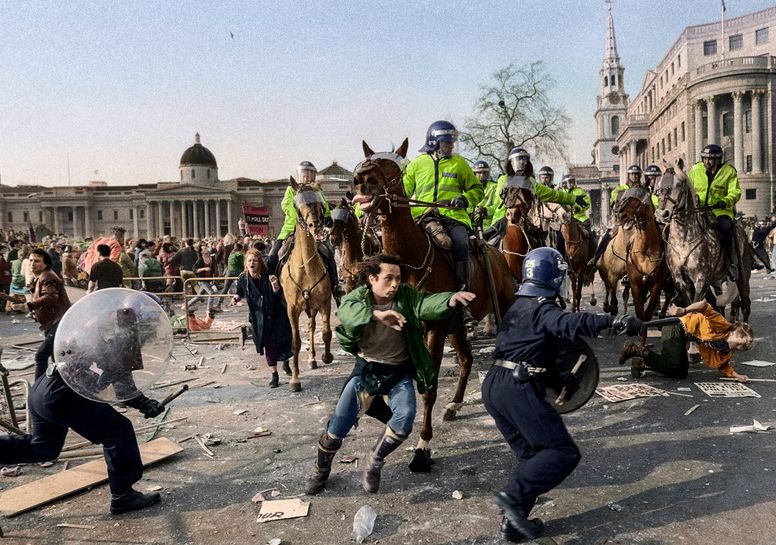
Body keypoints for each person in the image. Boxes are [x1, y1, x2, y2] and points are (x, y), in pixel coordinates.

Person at [482, 247, 642, 541]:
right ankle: (511, 496)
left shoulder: (518, 306)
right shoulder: (543, 307)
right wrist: (614, 322)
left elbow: (543, 347)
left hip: (495, 386)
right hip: (517, 387)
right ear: (555, 276)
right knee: (562, 452)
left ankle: (512, 524)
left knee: (532, 456)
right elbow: (568, 324)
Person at [306, 253, 476, 495]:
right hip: (367, 372)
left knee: (405, 420)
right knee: (336, 430)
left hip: (398, 373)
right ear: (372, 279)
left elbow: (425, 303)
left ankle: (374, 462)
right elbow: (347, 312)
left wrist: (449, 300)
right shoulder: (358, 298)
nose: (395, 283)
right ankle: (320, 471)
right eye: (389, 278)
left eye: (398, 278)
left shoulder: (406, 297)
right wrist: (377, 314)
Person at [0, 300, 166, 515]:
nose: (151, 335)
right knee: (119, 431)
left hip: (43, 391)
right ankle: (123, 495)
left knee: (44, 448)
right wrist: (143, 403)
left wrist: (144, 403)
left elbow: (122, 384)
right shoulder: (123, 345)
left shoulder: (107, 340)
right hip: (65, 397)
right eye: (149, 329)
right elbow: (124, 387)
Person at [403, 121, 482, 332]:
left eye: (452, 141)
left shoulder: (460, 164)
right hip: (423, 217)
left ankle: (463, 303)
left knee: (461, 244)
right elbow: (404, 192)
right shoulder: (416, 165)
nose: (451, 145)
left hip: (453, 218)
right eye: (447, 142)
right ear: (434, 142)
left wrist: (465, 199)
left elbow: (477, 190)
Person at [266, 162, 344, 303]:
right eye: (304, 174)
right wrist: (300, 216)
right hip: (291, 230)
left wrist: (326, 217)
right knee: (272, 257)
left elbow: (324, 207)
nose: (307, 177)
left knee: (329, 254)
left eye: (310, 174)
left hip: (315, 230)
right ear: (300, 175)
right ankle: (270, 290)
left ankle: (335, 287)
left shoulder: (317, 190)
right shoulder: (292, 189)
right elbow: (286, 204)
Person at [619, 301, 752, 382]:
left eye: (742, 347)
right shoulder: (721, 324)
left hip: (684, 337)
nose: (738, 348)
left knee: (681, 372)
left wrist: (736, 375)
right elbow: (704, 305)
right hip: (676, 327)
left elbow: (723, 365)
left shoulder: (727, 349)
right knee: (674, 365)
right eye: (739, 343)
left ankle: (641, 362)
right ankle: (636, 350)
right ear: (734, 331)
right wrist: (684, 310)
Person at [486, 148, 582, 238]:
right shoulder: (503, 180)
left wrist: (574, 198)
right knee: (486, 243)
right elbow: (496, 204)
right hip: (502, 220)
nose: (521, 162)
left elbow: (552, 194)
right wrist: (485, 210)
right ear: (511, 163)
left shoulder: (530, 181)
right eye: (518, 160)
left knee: (541, 242)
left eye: (524, 160)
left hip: (523, 221)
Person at [234, 249, 292, 388]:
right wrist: (236, 298)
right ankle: (274, 375)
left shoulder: (269, 275)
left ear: (260, 262)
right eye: (249, 261)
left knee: (282, 341)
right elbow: (239, 292)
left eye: (255, 260)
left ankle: (285, 361)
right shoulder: (243, 278)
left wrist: (275, 286)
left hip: (276, 315)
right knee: (268, 345)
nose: (252, 263)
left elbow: (279, 295)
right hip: (259, 318)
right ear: (246, 264)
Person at [11, 249, 71, 379]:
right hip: (53, 323)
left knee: (41, 355)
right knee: (57, 357)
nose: (32, 264)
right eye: (31, 260)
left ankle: (37, 390)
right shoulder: (40, 277)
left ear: (46, 264)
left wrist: (28, 306)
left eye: (37, 261)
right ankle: (60, 387)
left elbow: (51, 297)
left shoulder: (47, 276)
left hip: (58, 323)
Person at [688, 144, 742, 281]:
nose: (708, 162)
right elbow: (688, 189)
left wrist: (725, 201)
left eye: (711, 159)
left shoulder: (729, 171)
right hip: (698, 210)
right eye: (705, 159)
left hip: (720, 210)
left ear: (718, 160)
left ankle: (730, 263)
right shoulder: (695, 169)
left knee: (726, 228)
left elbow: (735, 192)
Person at [588, 164, 644, 268]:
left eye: (637, 174)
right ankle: (596, 257)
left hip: (639, 221)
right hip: (623, 219)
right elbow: (614, 196)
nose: (635, 177)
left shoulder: (643, 190)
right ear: (629, 176)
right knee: (608, 235)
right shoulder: (621, 188)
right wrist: (617, 201)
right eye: (633, 174)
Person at [563, 174, 596, 255]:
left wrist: (578, 208)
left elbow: (587, 204)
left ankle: (595, 257)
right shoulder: (561, 193)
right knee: (558, 239)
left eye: (572, 182)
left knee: (590, 237)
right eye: (569, 182)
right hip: (565, 221)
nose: (571, 184)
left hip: (580, 219)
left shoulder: (580, 191)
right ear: (564, 184)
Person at [472, 160, 499, 230]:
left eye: (485, 173)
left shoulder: (494, 187)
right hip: (469, 225)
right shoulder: (468, 187)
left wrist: (485, 210)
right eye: (479, 173)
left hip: (488, 226)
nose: (482, 175)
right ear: (474, 174)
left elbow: (497, 207)